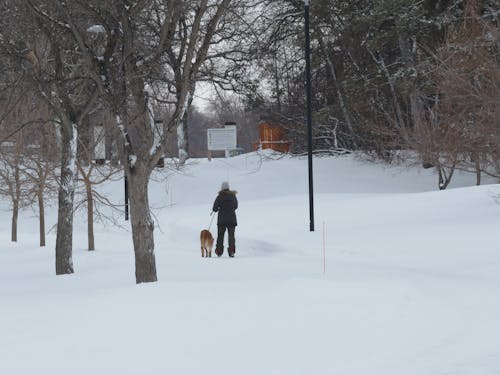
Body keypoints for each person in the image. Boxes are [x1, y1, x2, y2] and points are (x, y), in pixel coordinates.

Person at [212, 181, 238, 257]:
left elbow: (214, 208)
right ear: (228, 188)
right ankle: (231, 252)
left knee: (220, 236)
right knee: (231, 236)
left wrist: (219, 208)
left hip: (221, 220)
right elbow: (236, 206)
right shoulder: (233, 196)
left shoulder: (219, 196)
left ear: (222, 188)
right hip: (232, 219)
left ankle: (219, 252)